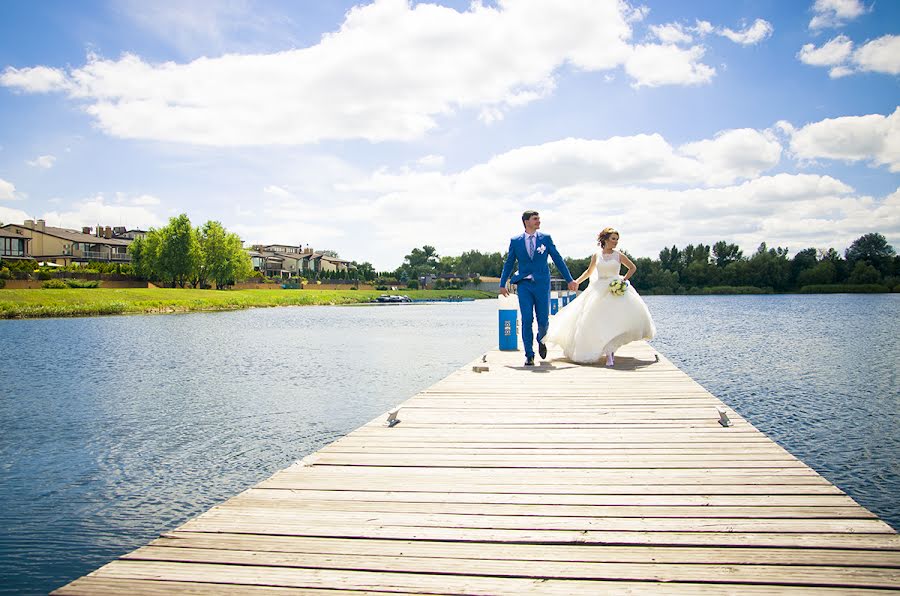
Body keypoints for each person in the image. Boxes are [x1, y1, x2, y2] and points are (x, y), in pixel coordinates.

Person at [544, 227, 655, 366]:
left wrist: (623, 280)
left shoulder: (619, 255)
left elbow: (632, 268)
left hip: (616, 290)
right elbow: (589, 271)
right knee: (599, 321)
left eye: (617, 239)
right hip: (599, 289)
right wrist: (577, 281)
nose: (615, 242)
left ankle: (611, 351)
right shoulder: (597, 255)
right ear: (605, 239)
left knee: (614, 320)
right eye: (613, 239)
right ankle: (606, 351)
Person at [500, 210, 578, 366]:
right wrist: (502, 283)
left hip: (542, 284)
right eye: (535, 219)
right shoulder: (515, 241)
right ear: (526, 221)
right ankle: (529, 354)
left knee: (543, 321)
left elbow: (558, 259)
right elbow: (509, 263)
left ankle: (541, 339)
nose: (538, 221)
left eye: (539, 219)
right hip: (524, 285)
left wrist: (569, 279)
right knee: (527, 319)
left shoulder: (546, 239)